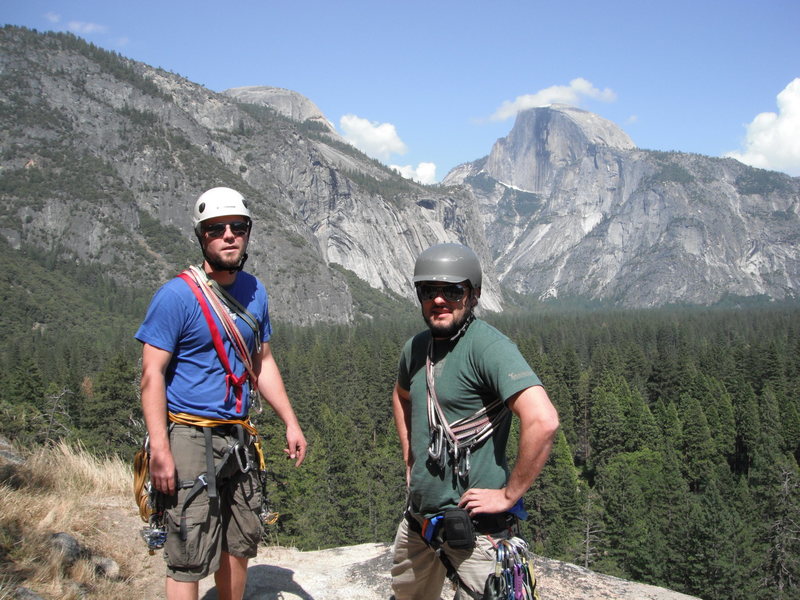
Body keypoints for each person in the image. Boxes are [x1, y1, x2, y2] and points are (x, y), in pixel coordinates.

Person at [136, 187, 307, 600]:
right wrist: (160, 448)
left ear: (247, 234)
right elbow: (151, 375)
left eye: (237, 227)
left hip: (239, 435)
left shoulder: (255, 291)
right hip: (190, 437)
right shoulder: (176, 296)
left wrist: (290, 421)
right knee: (189, 550)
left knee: (240, 540)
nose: (228, 235)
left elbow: (262, 362)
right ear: (202, 237)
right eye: (217, 229)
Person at [390, 243, 559, 600]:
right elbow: (401, 395)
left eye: (452, 290)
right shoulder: (415, 349)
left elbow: (543, 420)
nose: (439, 300)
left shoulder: (488, 347)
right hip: (419, 523)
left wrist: (509, 494)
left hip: (477, 532)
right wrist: (410, 456)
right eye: (428, 291)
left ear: (474, 294)